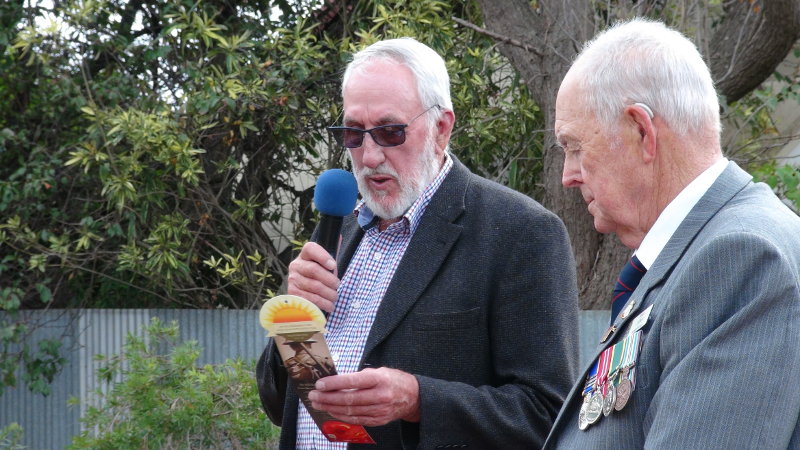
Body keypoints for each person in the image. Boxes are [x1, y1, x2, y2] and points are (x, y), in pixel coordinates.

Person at [256, 37, 579, 449]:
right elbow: (278, 402)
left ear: (441, 128)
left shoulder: (521, 232)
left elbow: (547, 415)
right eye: (353, 133)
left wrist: (419, 400)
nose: (369, 156)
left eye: (390, 132)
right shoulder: (340, 232)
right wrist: (297, 322)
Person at [544, 18, 800, 449]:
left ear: (642, 131)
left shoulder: (739, 256)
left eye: (575, 147)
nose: (569, 175)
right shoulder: (702, 250)